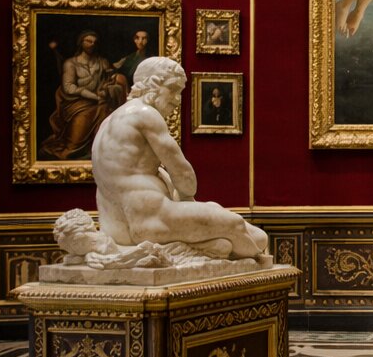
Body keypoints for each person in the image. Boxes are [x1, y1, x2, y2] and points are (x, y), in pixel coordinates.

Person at [92, 57, 267, 259]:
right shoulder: (145, 114)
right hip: (152, 221)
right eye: (173, 89)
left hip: (119, 228)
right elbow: (184, 177)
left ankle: (212, 246)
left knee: (214, 211)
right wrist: (186, 196)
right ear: (152, 83)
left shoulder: (108, 122)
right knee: (250, 233)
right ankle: (243, 255)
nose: (177, 99)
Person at [41, 30, 127, 160]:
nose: (92, 44)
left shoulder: (102, 62)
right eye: (88, 41)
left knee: (105, 109)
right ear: (80, 43)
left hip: (100, 103)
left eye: (94, 42)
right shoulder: (70, 63)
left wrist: (110, 85)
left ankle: (101, 150)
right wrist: (93, 96)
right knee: (73, 146)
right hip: (76, 104)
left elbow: (109, 79)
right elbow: (69, 87)